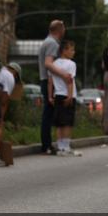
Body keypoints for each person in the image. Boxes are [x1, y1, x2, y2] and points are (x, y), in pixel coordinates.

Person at [38, 20, 69, 154]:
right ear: (59, 29)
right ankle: (47, 145)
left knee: (49, 114)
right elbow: (48, 63)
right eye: (64, 28)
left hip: (46, 81)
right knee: (49, 114)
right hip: (49, 82)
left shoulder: (47, 41)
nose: (65, 31)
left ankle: (47, 143)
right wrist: (64, 74)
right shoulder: (52, 43)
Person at [51, 40, 79, 156]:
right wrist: (70, 96)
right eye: (71, 50)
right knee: (67, 122)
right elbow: (70, 80)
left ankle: (60, 147)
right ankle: (66, 147)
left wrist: (50, 96)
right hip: (68, 94)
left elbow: (50, 81)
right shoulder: (71, 64)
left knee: (59, 122)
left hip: (57, 94)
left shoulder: (54, 64)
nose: (74, 52)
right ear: (64, 50)